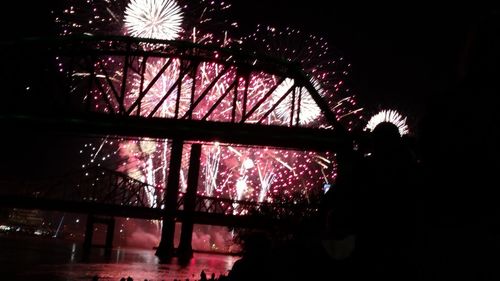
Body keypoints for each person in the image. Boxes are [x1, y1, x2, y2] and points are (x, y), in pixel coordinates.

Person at [326, 122, 419, 280]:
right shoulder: (411, 170)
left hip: (368, 248)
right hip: (404, 250)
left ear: (376, 143)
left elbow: (341, 191)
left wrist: (354, 150)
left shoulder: (367, 169)